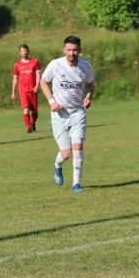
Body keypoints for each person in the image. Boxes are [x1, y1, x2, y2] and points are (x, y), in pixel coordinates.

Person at [40, 36, 94, 193]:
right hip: (59, 114)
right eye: (69, 50)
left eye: (75, 50)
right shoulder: (55, 65)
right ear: (64, 50)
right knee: (66, 153)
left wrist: (88, 97)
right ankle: (57, 166)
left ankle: (76, 183)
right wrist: (51, 102)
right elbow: (43, 82)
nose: (72, 53)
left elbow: (90, 84)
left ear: (80, 50)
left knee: (78, 146)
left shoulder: (85, 66)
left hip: (78, 112)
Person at [12, 44, 41, 133]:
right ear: (20, 52)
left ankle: (33, 123)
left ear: (28, 51)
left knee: (35, 111)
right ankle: (28, 128)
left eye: (26, 50)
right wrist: (13, 92)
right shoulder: (17, 64)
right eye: (22, 51)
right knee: (25, 109)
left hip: (33, 90)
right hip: (23, 90)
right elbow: (15, 78)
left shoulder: (34, 62)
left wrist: (36, 86)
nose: (24, 52)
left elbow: (38, 74)